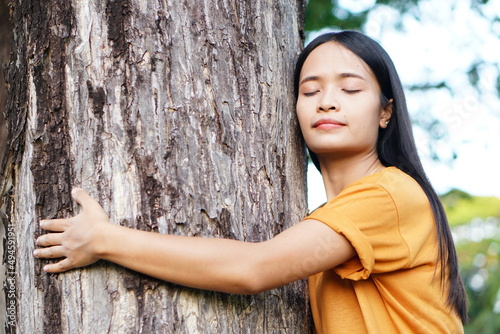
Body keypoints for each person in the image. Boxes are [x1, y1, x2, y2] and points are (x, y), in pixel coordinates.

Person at [33, 31, 468, 333]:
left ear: (385, 111)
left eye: (350, 90)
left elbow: (252, 269)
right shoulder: (327, 222)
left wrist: (103, 239)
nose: (328, 102)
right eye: (310, 90)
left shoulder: (391, 195)